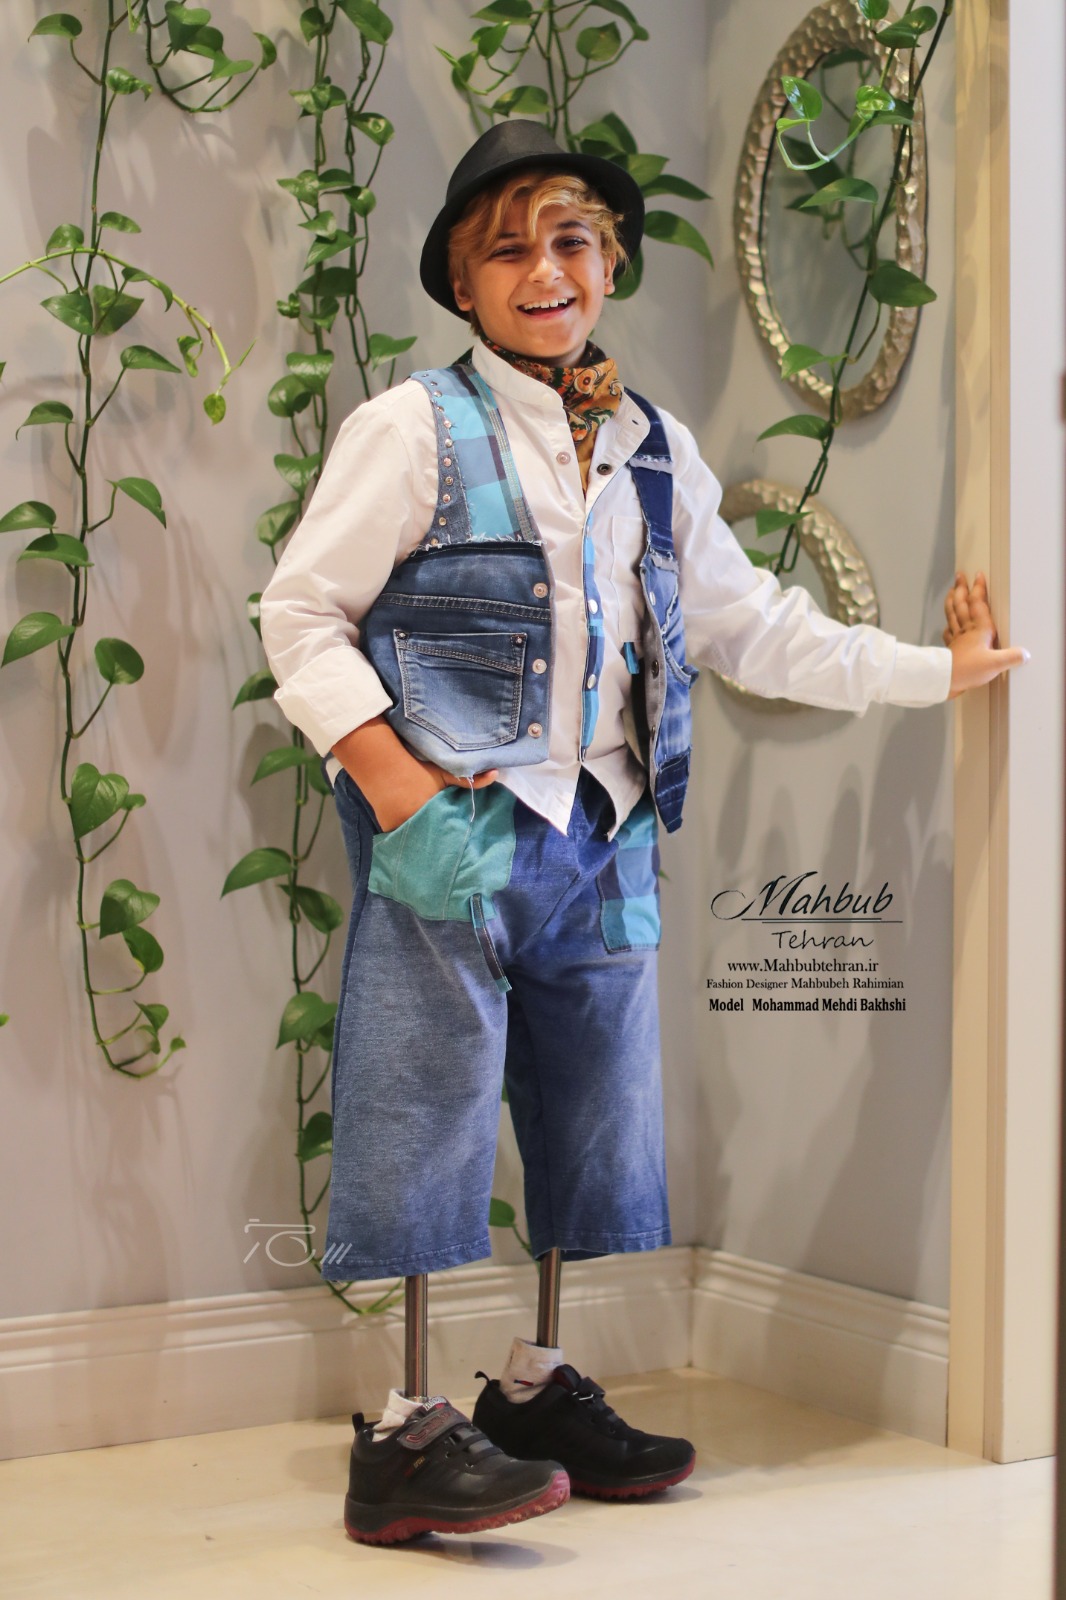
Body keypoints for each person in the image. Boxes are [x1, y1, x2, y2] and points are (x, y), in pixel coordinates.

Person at [258, 120, 1026, 1546]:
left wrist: (937, 673)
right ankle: (405, 1429)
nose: (542, 269)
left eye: (570, 241)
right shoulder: (411, 430)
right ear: (464, 285)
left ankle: (534, 1389)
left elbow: (748, 626)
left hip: (605, 835)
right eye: (507, 250)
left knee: (594, 1104)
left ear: (608, 263)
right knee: (424, 1097)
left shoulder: (652, 447)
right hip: (458, 824)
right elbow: (302, 613)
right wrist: (395, 786)